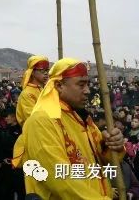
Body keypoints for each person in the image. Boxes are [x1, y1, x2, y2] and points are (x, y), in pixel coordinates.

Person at [13, 58, 125, 198]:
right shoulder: (41, 121)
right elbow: (60, 179)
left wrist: (115, 145)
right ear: (59, 86)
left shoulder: (83, 118)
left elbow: (104, 161)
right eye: (81, 84)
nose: (87, 91)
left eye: (87, 84)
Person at [15, 55, 49, 126]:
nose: (46, 73)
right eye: (42, 70)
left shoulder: (44, 89)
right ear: (32, 72)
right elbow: (34, 119)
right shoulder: (27, 94)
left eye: (47, 70)